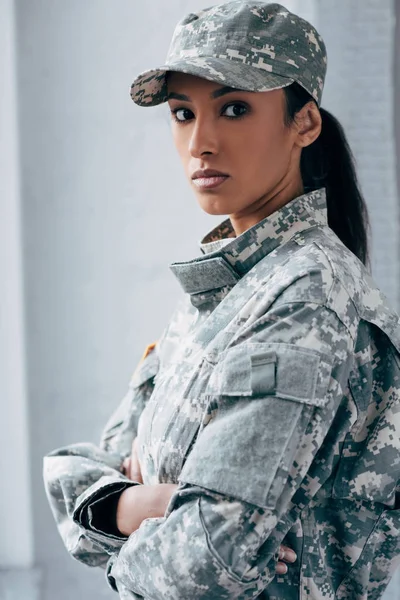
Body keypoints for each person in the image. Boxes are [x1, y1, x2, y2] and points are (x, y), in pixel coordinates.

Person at [43, 2, 400, 598]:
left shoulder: (304, 296)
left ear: (304, 124)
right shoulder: (227, 290)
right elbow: (76, 476)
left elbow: (203, 560)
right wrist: (143, 505)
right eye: (183, 113)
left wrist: (125, 517)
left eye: (234, 109)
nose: (200, 142)